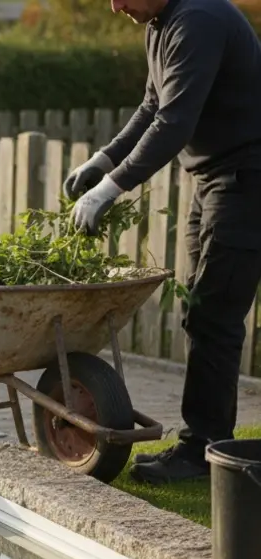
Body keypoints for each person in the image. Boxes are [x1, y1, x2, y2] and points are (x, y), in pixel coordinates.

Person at [63, 0, 261, 485]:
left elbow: (174, 122)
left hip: (247, 178)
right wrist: (104, 160)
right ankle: (205, 441)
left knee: (213, 314)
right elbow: (152, 106)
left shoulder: (199, 20)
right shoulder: (161, 22)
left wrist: (110, 190)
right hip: (217, 178)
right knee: (202, 310)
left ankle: (201, 453)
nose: (116, 6)